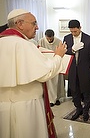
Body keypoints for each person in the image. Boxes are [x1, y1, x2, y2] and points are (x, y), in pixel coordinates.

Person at [0, 9, 67, 138]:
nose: (37, 27)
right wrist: (58, 56)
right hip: (26, 107)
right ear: (20, 24)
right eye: (33, 23)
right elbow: (46, 72)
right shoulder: (24, 45)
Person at [63, 19, 90, 122]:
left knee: (86, 92)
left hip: (85, 70)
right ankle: (78, 109)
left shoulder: (88, 39)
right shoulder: (67, 38)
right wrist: (72, 49)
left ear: (80, 28)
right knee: (75, 92)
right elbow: (64, 52)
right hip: (72, 70)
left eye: (75, 31)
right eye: (71, 31)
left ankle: (86, 111)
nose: (73, 33)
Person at [38, 29, 66, 106]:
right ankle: (50, 99)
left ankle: (57, 98)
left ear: (53, 36)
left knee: (57, 83)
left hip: (56, 65)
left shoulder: (58, 41)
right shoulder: (41, 41)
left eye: (51, 38)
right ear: (45, 36)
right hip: (46, 65)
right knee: (49, 84)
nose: (49, 40)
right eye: (48, 38)